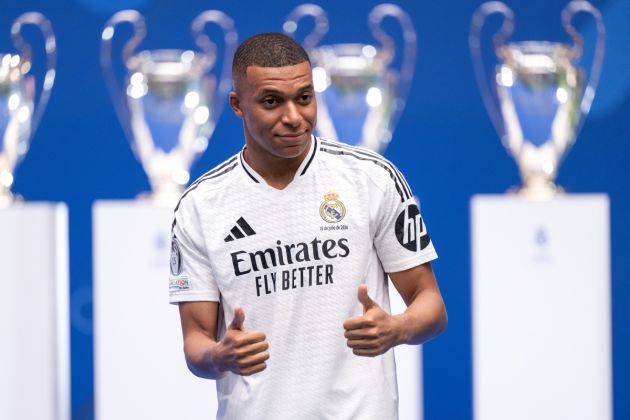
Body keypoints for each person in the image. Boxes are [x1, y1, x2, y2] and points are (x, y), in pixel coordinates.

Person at [169, 32, 447, 420]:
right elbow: (195, 343)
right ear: (237, 105)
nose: (294, 117)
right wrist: (220, 354)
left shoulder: (372, 178)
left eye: (304, 98)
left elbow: (431, 305)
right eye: (271, 101)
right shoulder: (200, 205)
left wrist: (396, 328)